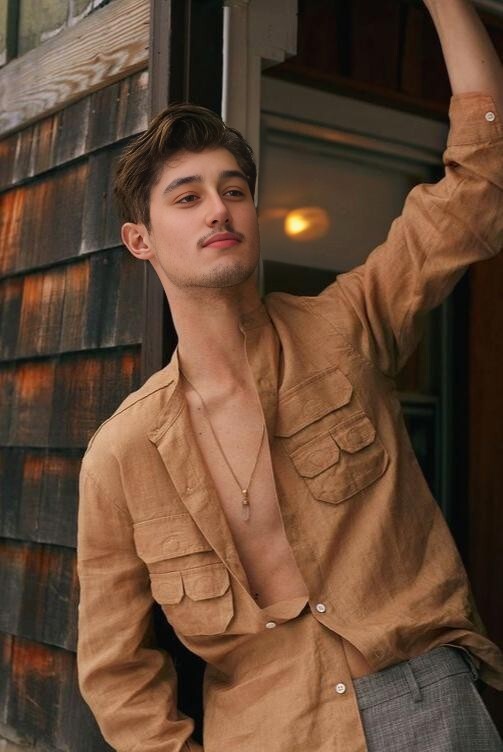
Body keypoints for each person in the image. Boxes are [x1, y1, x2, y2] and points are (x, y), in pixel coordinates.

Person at [76, 0, 503, 749]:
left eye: (234, 190)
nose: (219, 209)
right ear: (139, 240)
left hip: (421, 705)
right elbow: (115, 668)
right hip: (268, 733)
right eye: (188, 197)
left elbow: (480, 181)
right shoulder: (123, 454)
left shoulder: (345, 326)